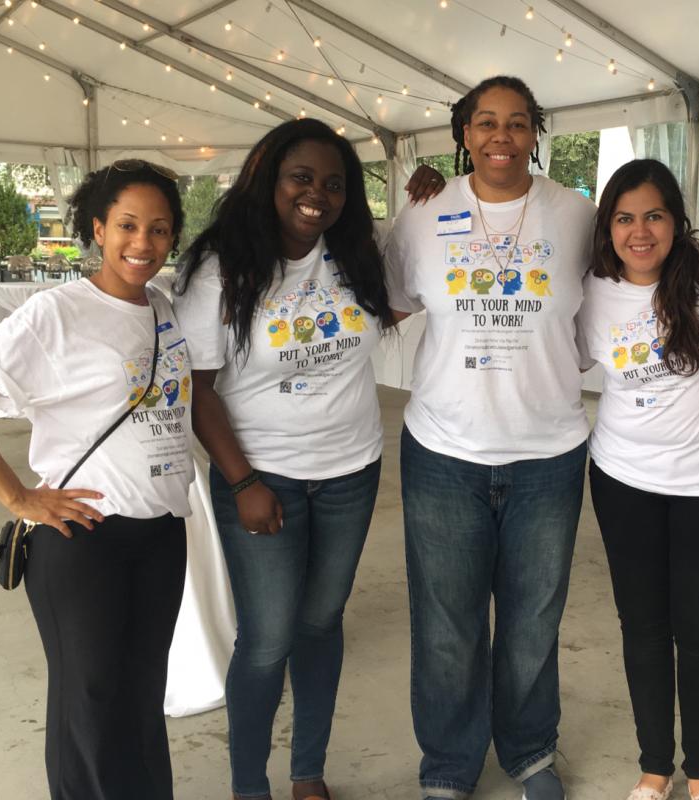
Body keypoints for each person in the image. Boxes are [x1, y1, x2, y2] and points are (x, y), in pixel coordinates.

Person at [0, 161, 192, 799]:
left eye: (159, 229)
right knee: (90, 701)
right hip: (83, 537)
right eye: (127, 225)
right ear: (98, 229)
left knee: (141, 693)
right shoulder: (56, 312)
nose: (142, 243)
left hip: (162, 533)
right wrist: (18, 497)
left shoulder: (165, 308)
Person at [384, 75, 594, 800]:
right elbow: (385, 303)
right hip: (445, 452)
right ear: (463, 133)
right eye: (485, 122)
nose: (500, 136)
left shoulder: (577, 215)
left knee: (534, 618)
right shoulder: (422, 216)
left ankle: (531, 752)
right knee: (447, 621)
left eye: (516, 122)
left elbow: (610, 307)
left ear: (536, 131)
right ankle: (447, 764)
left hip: (549, 453)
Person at [172, 118, 395, 800]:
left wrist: (427, 194)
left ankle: (308, 774)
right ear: (268, 179)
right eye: (301, 178)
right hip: (261, 476)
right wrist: (241, 482)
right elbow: (198, 389)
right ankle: (248, 786)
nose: (317, 195)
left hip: (352, 470)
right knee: (267, 639)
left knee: (321, 623)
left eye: (333, 183)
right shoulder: (221, 268)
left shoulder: (358, 252)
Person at [577, 159, 699, 800]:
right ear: (607, 226)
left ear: (677, 221)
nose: (640, 232)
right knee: (642, 627)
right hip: (623, 479)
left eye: (654, 215)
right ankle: (654, 767)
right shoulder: (591, 290)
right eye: (625, 218)